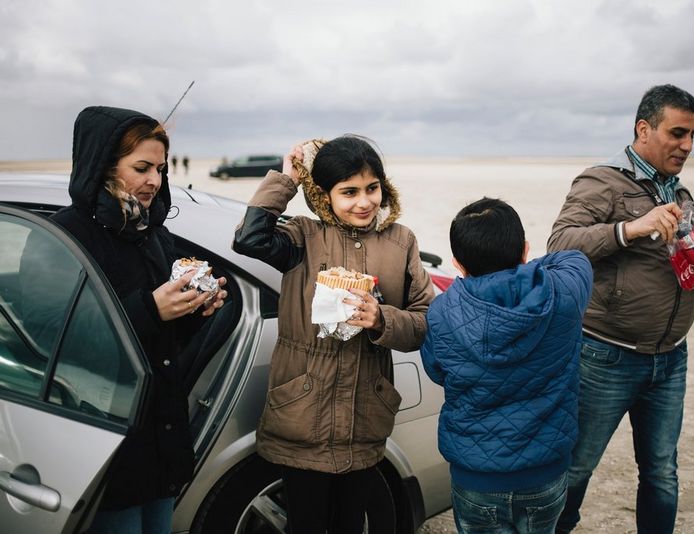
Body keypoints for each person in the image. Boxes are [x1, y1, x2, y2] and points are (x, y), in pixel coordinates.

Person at [23, 106, 228, 533]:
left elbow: (163, 341)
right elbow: (45, 337)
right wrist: (150, 310)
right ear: (102, 165)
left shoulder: (154, 235)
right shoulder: (62, 237)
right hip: (102, 440)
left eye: (160, 169)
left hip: (160, 436)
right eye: (142, 168)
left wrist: (194, 310)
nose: (155, 180)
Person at [547, 84, 694, 533]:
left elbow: (686, 269)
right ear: (643, 129)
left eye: (693, 135)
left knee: (661, 474)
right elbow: (559, 244)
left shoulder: (681, 193)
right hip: (605, 357)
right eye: (677, 133)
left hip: (671, 358)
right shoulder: (601, 181)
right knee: (575, 469)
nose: (687, 145)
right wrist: (630, 229)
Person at [232, 135, 434, 533]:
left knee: (350, 523)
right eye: (349, 192)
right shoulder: (303, 236)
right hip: (303, 412)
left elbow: (425, 322)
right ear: (325, 195)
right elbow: (249, 239)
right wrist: (287, 180)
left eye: (372, 188)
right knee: (305, 524)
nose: (364, 202)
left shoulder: (400, 242)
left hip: (365, 416)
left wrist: (382, 319)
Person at [420, 197, 592, 534]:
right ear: (525, 250)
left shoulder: (441, 313)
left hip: (476, 477)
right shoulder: (564, 292)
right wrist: (518, 267)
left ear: (457, 264)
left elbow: (436, 371)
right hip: (545, 471)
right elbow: (574, 258)